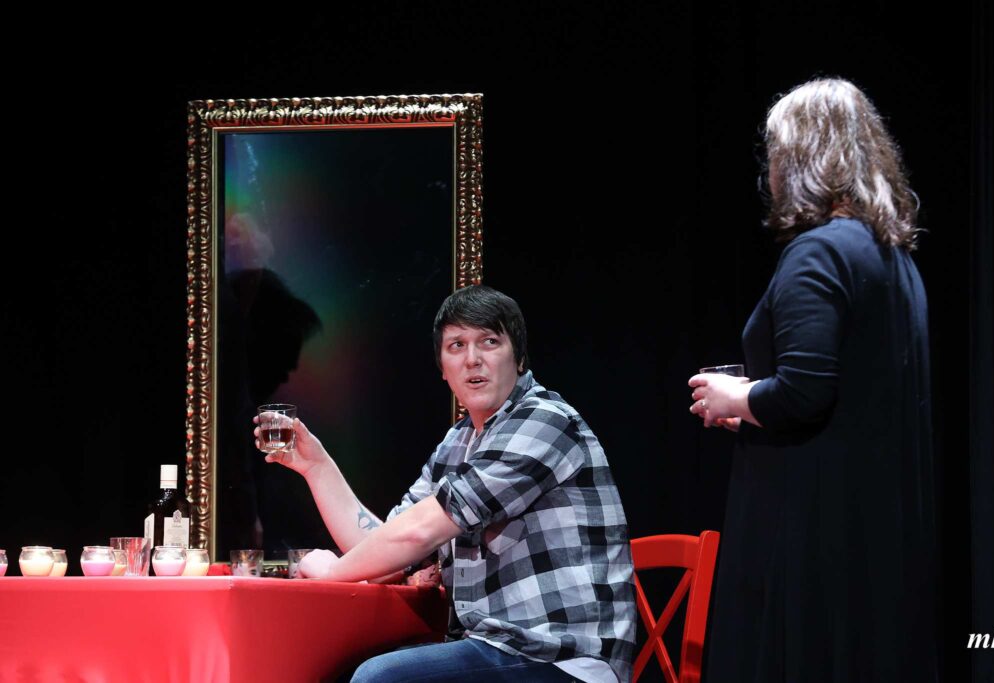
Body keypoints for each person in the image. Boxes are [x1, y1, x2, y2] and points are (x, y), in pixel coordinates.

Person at [688, 79, 938, 682]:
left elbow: (805, 392)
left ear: (800, 159)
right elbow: (854, 392)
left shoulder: (819, 253)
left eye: (776, 153)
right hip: (870, 526)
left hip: (808, 528)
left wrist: (736, 395)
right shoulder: (891, 257)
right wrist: (754, 407)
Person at [262, 285, 635, 683]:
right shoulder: (458, 441)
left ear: (519, 358)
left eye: (489, 342)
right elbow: (386, 543)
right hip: (498, 649)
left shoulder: (543, 421)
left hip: (563, 659)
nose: (473, 359)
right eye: (457, 345)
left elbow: (419, 532)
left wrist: (332, 573)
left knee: (381, 678)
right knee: (336, 666)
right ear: (442, 368)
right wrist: (317, 467)